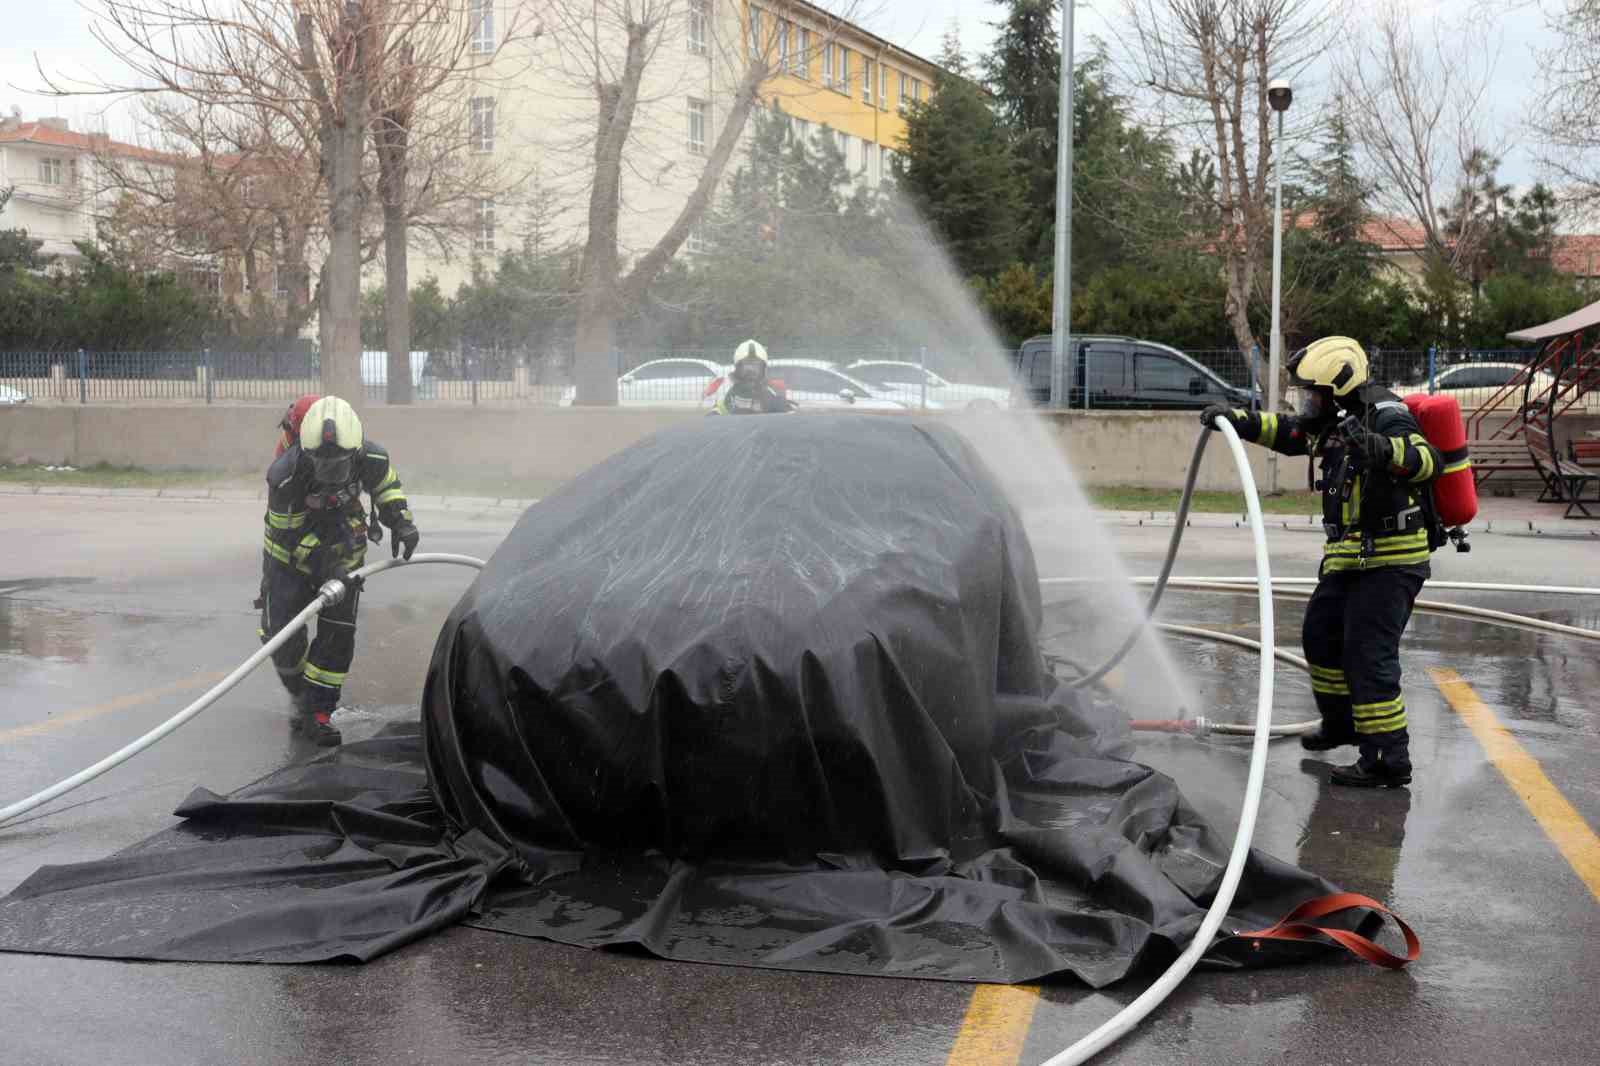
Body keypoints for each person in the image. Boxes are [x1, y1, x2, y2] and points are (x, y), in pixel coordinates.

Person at [1202, 336, 1442, 788]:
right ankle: (1342, 724)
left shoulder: (1388, 414)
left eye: (1313, 391)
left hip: (1392, 559)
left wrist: (1379, 448)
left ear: (1339, 386)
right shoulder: (1334, 419)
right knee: (1321, 636)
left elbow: (1429, 460)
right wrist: (1236, 419)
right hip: (1350, 557)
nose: (1306, 399)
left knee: (1368, 655)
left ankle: (1387, 758)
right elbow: (1290, 433)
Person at [259, 396, 420, 745]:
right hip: (288, 561)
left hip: (346, 548)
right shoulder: (284, 477)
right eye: (323, 465)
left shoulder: (371, 457)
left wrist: (402, 522)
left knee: (337, 634)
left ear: (356, 450)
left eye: (339, 465)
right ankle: (300, 692)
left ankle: (318, 712)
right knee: (281, 637)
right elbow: (290, 540)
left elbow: (386, 486)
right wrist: (328, 566)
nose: (331, 475)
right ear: (306, 452)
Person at [713, 339, 790, 414]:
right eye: (747, 366)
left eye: (756, 366)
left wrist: (783, 407)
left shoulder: (771, 398)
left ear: (763, 369)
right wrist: (715, 412)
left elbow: (789, 418)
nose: (751, 372)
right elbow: (718, 413)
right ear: (738, 369)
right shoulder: (730, 396)